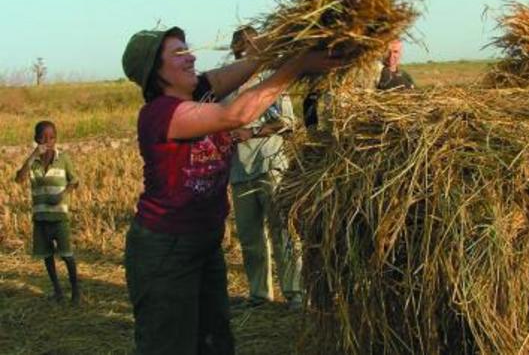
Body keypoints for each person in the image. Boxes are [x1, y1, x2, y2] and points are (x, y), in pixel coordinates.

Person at [121, 26, 345, 355]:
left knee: (215, 343)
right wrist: (297, 65)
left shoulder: (201, 90)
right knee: (170, 346)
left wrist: (293, 36)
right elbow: (235, 114)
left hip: (205, 243)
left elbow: (253, 62)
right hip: (165, 250)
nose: (192, 57)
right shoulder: (159, 114)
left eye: (188, 49)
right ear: (156, 71)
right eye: (180, 54)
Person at [227, 26, 303, 309]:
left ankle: (295, 292)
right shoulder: (227, 87)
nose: (247, 50)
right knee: (250, 237)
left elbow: (288, 123)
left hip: (270, 164)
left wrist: (253, 132)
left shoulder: (270, 82)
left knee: (283, 230)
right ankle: (259, 294)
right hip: (239, 170)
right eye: (243, 46)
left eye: (252, 45)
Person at [14, 120, 80, 305]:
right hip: (41, 217)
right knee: (47, 256)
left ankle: (75, 292)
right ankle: (57, 290)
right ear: (36, 139)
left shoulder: (63, 159)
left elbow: (74, 181)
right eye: (43, 137)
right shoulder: (33, 162)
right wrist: (32, 155)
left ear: (56, 139)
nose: (47, 141)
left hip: (59, 217)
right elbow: (19, 179)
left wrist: (62, 194)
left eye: (51, 137)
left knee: (67, 255)